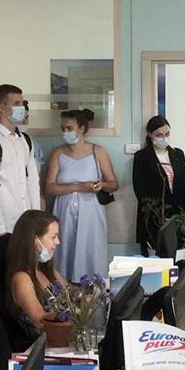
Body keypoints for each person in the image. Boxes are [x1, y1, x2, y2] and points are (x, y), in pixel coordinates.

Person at [46, 109, 117, 280]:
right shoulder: (58, 153)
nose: (65, 132)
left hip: (91, 210)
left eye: (69, 128)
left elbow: (114, 184)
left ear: (82, 129)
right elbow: (49, 187)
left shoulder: (97, 152)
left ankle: (93, 289)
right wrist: (78, 187)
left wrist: (102, 185)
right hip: (64, 210)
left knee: (91, 250)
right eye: (63, 128)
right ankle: (64, 288)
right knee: (64, 250)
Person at [0, 84, 42, 248]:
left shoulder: (25, 140)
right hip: (5, 223)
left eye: (22, 103)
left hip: (27, 221)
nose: (22, 107)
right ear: (2, 107)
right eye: (17, 103)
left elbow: (33, 182)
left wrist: (37, 218)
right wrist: (0, 229)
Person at [133, 115, 185, 255]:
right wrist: (156, 214)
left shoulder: (178, 154)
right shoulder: (142, 157)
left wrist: (184, 215)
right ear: (150, 135)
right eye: (159, 135)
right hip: (153, 217)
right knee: (155, 260)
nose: (163, 138)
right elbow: (140, 190)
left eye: (167, 134)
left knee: (176, 259)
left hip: (177, 215)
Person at [5, 210, 67, 335]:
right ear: (34, 240)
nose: (58, 242)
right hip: (44, 341)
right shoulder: (22, 278)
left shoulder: (45, 270)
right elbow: (40, 321)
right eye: (53, 237)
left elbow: (70, 291)